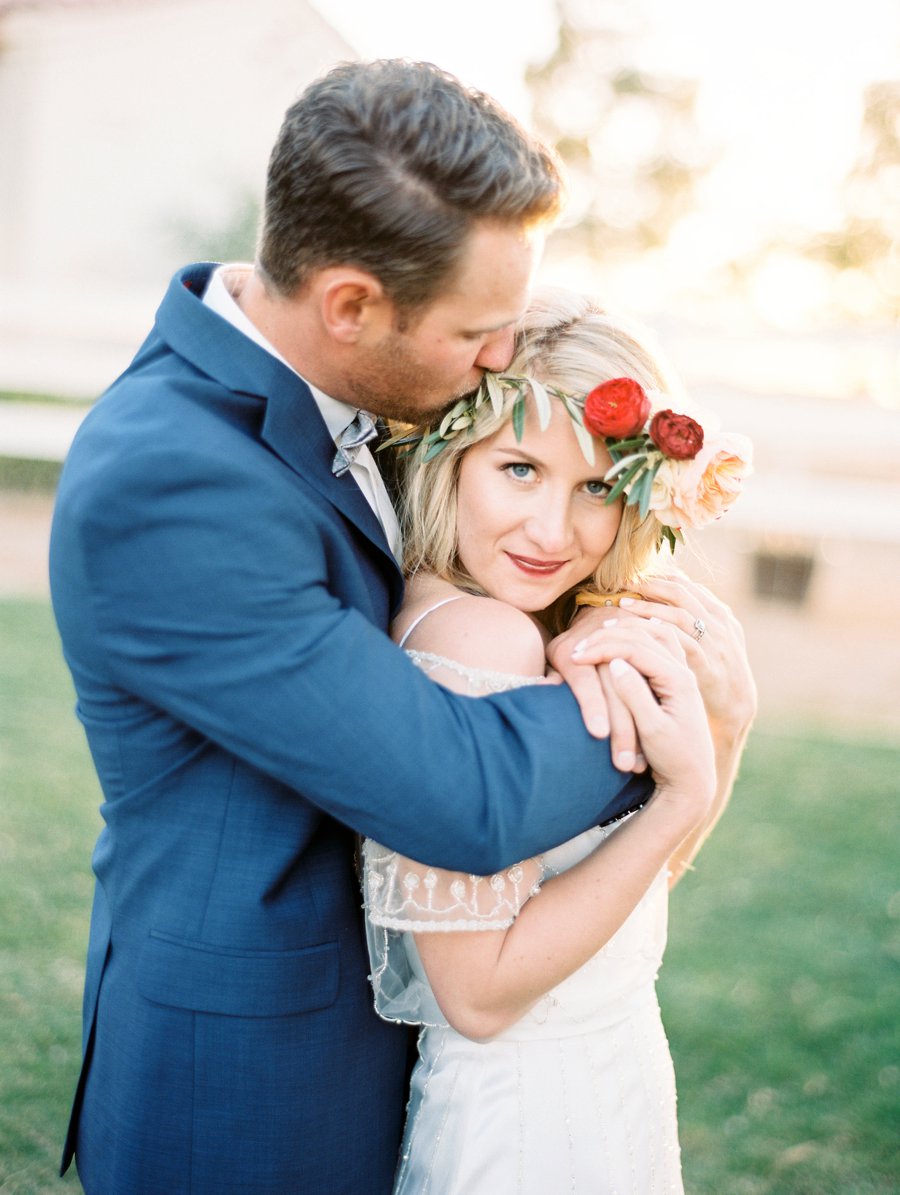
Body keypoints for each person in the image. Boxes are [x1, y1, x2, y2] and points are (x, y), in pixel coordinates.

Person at [48, 61, 671, 1195]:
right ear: (349, 303)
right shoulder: (171, 481)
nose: (499, 360)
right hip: (244, 1090)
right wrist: (684, 719)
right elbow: (459, 791)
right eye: (480, 330)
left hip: (402, 1046)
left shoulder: (372, 398)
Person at [363, 288, 755, 1193]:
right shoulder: (476, 639)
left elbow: (632, 897)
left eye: (596, 487)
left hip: (608, 1085)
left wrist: (724, 731)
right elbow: (479, 993)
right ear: (452, 457)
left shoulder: (536, 626)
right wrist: (684, 796)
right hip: (525, 1125)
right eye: (520, 469)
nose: (552, 530)